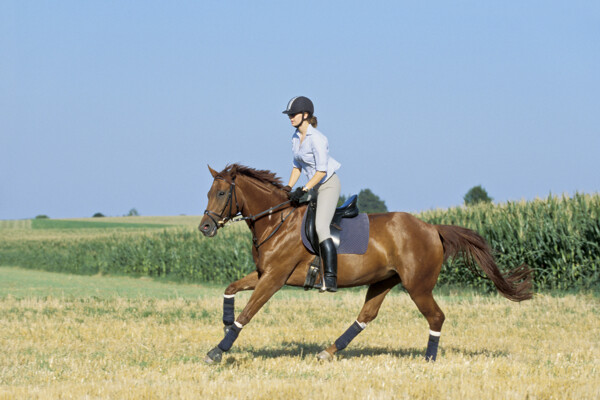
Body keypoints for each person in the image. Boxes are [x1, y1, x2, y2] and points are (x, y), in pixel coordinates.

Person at [282, 96, 341, 292]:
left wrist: (304, 189)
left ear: (305, 115)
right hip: (312, 186)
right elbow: (296, 166)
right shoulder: (295, 138)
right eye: (289, 115)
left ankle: (331, 278)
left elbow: (322, 172)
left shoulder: (318, 139)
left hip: (327, 185)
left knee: (321, 226)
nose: (290, 117)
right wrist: (288, 188)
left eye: (293, 114)